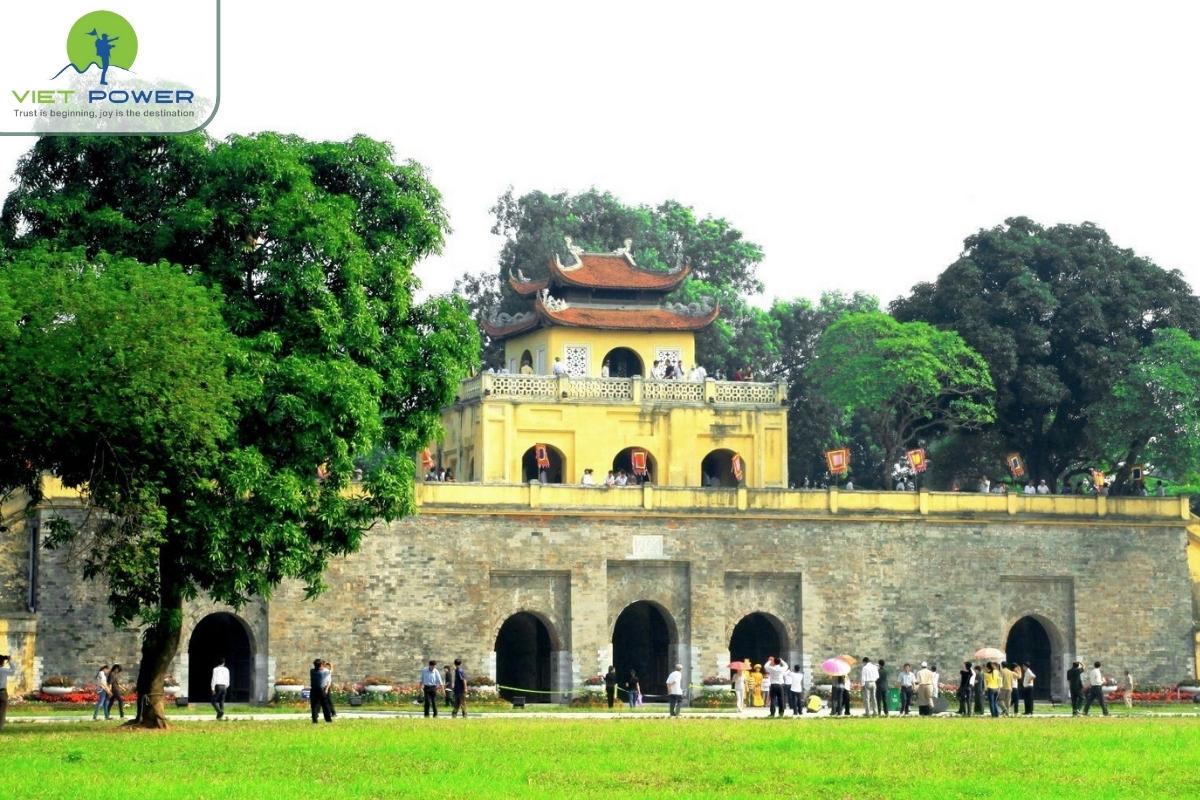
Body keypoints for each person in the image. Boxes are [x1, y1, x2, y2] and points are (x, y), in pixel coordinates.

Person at [310, 658, 332, 724]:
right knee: (325, 705)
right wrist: (330, 665)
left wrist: (323, 665)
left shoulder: (312, 671)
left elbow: (319, 668)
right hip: (321, 690)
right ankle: (328, 720)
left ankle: (314, 720)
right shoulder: (324, 672)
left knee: (314, 705)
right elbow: (331, 671)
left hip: (313, 690)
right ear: (321, 665)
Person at [0, 654, 12, 729]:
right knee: (2, 710)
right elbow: (13, 671)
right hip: (2, 692)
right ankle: (0, 726)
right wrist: (10, 661)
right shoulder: (3, 670)